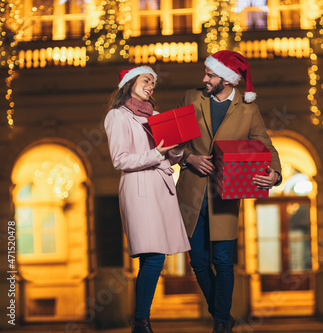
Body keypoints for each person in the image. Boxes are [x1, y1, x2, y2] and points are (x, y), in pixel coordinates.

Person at [176, 51, 282, 333]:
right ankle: (222, 314)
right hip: (191, 193)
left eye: (210, 75)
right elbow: (173, 144)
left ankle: (221, 321)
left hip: (225, 194)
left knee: (222, 260)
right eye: (206, 73)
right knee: (198, 260)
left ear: (227, 79)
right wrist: (189, 158)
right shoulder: (191, 98)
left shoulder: (248, 109)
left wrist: (276, 173)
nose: (204, 79)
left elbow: (265, 145)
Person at [104, 66, 191, 333]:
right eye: (146, 80)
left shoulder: (157, 116)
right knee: (152, 256)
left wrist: (176, 148)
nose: (151, 86)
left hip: (161, 187)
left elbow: (171, 155)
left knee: (155, 257)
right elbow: (120, 159)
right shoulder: (117, 116)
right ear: (130, 83)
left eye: (153, 82)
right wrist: (157, 153)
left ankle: (141, 321)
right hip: (140, 189)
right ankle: (141, 321)